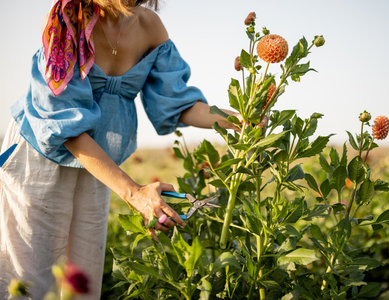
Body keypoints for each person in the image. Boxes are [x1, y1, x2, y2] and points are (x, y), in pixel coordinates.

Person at [0, 0, 258, 298]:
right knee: (29, 281)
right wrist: (134, 193)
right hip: (41, 156)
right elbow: (63, 126)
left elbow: (177, 103)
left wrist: (239, 119)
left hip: (99, 164)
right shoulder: (70, 18)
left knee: (82, 280)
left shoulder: (150, 27)